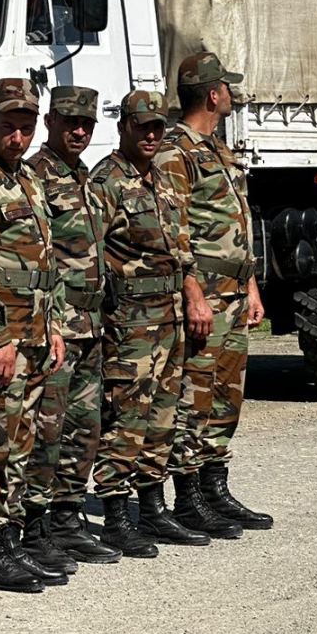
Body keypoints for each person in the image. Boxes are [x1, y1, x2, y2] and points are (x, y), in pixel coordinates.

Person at [0, 79, 67, 594]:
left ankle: (17, 535)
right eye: (8, 126)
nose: (18, 136)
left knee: (26, 439)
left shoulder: (28, 179)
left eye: (26, 127)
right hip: (3, 338)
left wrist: (56, 327)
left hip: (38, 332)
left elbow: (49, 261)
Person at [156, 53, 272, 530]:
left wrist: (250, 286)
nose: (231, 93)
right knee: (195, 395)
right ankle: (187, 496)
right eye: (226, 86)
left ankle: (214, 485)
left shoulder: (216, 150)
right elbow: (173, 228)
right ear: (211, 93)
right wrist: (192, 293)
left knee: (227, 395)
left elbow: (236, 227)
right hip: (204, 291)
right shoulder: (175, 151)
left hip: (232, 290)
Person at [85, 90, 201, 558]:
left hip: (169, 315)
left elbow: (181, 250)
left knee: (163, 414)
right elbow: (88, 254)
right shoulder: (106, 182)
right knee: (128, 415)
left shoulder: (164, 181)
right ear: (124, 128)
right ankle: (115, 514)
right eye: (142, 127)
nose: (151, 135)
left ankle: (152, 507)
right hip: (130, 320)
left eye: (158, 128)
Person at [24, 85, 122, 565]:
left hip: (92, 322)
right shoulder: (36, 175)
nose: (79, 131)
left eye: (86, 124)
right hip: (57, 325)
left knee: (86, 426)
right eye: (69, 122)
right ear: (50, 123)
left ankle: (67, 516)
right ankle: (34, 525)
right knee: (47, 429)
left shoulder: (84, 176)